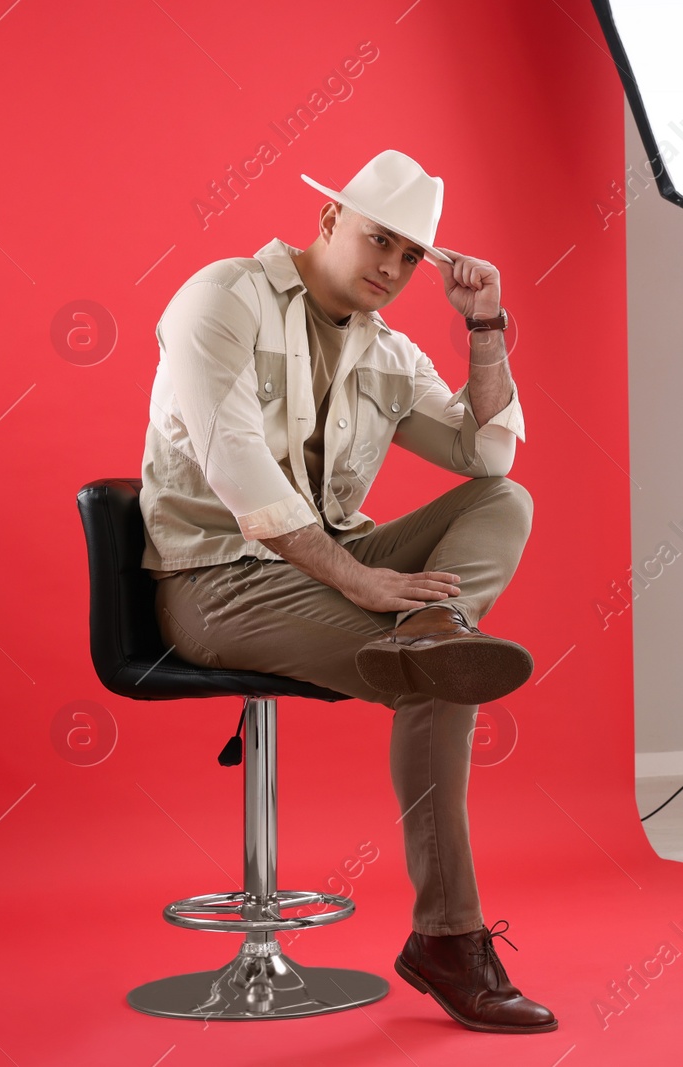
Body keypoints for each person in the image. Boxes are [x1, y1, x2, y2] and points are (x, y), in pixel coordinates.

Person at [140, 149, 556, 1034]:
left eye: (412, 257)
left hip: (330, 560)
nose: (395, 270)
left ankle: (433, 630)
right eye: (380, 241)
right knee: (442, 668)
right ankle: (449, 936)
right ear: (329, 220)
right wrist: (362, 580)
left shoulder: (387, 349)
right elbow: (243, 472)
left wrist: (485, 330)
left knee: (503, 504)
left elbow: (487, 456)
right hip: (215, 581)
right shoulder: (221, 299)